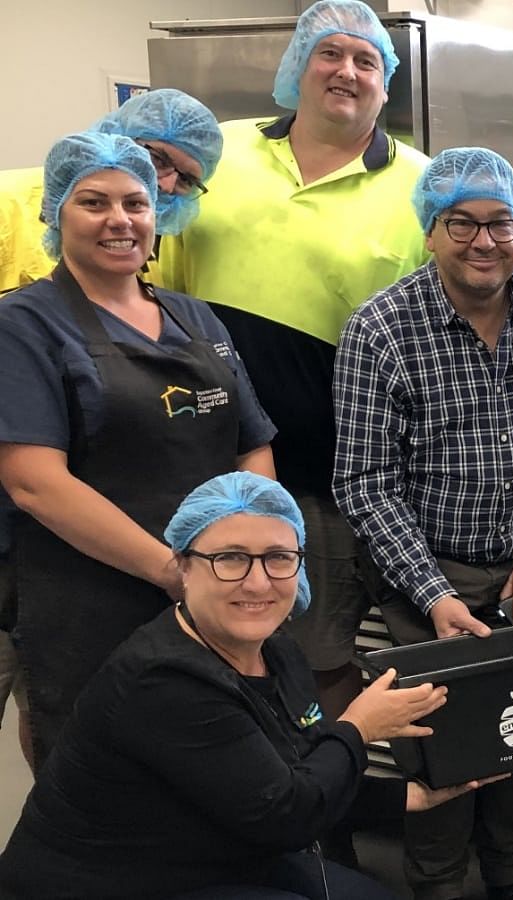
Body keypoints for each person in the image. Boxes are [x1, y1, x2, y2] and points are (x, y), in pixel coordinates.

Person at [333, 147, 513, 900]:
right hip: (428, 575)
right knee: (445, 749)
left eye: (500, 222)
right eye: (461, 222)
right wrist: (432, 594)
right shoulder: (381, 330)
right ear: (430, 231)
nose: (483, 240)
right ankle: (439, 889)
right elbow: (364, 484)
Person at [0, 472, 497, 899]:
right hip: (112, 882)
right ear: (184, 568)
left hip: (214, 843)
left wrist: (410, 796)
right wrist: (357, 727)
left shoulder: (277, 650)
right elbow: (287, 814)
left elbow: (295, 774)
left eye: (278, 558)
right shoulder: (164, 679)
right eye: (231, 558)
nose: (259, 583)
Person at [157, 0, 432, 722]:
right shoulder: (220, 152)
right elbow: (158, 287)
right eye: (330, 54)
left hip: (333, 478)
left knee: (315, 657)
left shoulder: (421, 186)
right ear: (297, 67)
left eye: (366, 60)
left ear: (386, 80)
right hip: (201, 466)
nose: (346, 71)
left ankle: (323, 815)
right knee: (205, 652)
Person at [0, 131, 275, 766]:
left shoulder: (196, 318)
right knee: (102, 780)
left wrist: (260, 556)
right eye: (94, 203)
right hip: (90, 597)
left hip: (213, 590)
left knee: (211, 765)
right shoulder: (23, 326)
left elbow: (252, 445)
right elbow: (35, 483)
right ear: (55, 213)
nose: (120, 220)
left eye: (136, 203)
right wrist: (174, 572)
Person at [0, 87, 222, 294]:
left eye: (186, 179)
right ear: (120, 134)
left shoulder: (141, 244)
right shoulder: (7, 205)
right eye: (159, 158)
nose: (165, 185)